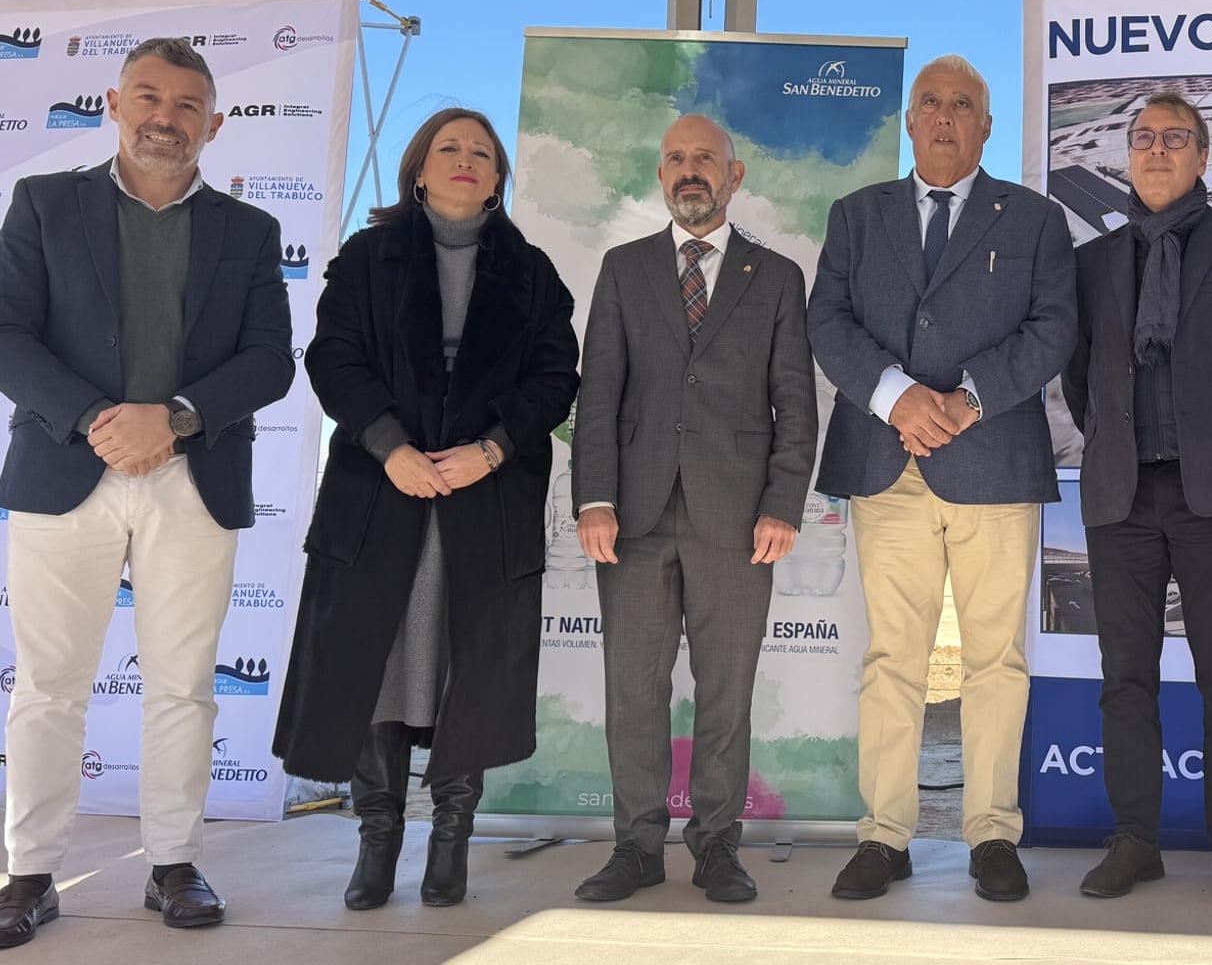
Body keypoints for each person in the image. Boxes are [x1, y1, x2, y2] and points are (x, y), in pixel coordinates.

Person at [0, 37, 295, 946]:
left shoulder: (250, 231)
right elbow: (6, 332)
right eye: (148, 98)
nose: (166, 118)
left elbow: (270, 361)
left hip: (191, 478)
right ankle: (28, 873)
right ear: (114, 103)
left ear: (214, 123)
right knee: (49, 687)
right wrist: (99, 418)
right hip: (66, 469)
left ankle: (174, 864)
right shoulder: (44, 203)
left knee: (183, 686)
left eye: (186, 105)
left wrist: (174, 419)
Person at [272, 108, 580, 911]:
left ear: (499, 177)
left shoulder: (532, 272)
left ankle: (451, 840)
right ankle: (377, 841)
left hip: (486, 500)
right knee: (374, 666)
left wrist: (492, 450)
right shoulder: (367, 258)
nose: (465, 159)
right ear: (418, 168)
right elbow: (332, 357)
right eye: (449, 147)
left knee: (465, 669)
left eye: (481, 151)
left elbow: (556, 378)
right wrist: (389, 446)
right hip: (382, 494)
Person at [810, 54, 1075, 902]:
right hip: (887, 463)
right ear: (910, 120)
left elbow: (1054, 328)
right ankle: (883, 837)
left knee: (996, 659)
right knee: (894, 657)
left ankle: (992, 833)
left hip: (993, 463)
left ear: (986, 126)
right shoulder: (857, 216)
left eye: (963, 104)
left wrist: (965, 401)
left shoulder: (1035, 219)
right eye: (931, 102)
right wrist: (896, 397)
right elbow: (828, 320)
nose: (946, 115)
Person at [569, 114, 817, 905]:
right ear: (660, 175)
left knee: (726, 691)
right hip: (632, 520)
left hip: (739, 521)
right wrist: (595, 498)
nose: (689, 170)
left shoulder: (776, 278)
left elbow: (795, 404)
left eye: (704, 158)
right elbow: (598, 395)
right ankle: (637, 847)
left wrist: (783, 504)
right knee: (633, 691)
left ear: (733, 175)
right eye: (675, 158)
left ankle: (717, 847)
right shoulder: (623, 269)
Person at [1060, 91, 1212, 906]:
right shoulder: (1093, 262)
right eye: (1143, 138)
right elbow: (1080, 378)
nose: (1156, 151)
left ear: (1203, 157)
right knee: (1126, 680)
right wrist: (1117, 441)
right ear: (1128, 155)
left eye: (1174, 139)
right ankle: (1135, 841)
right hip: (1122, 496)